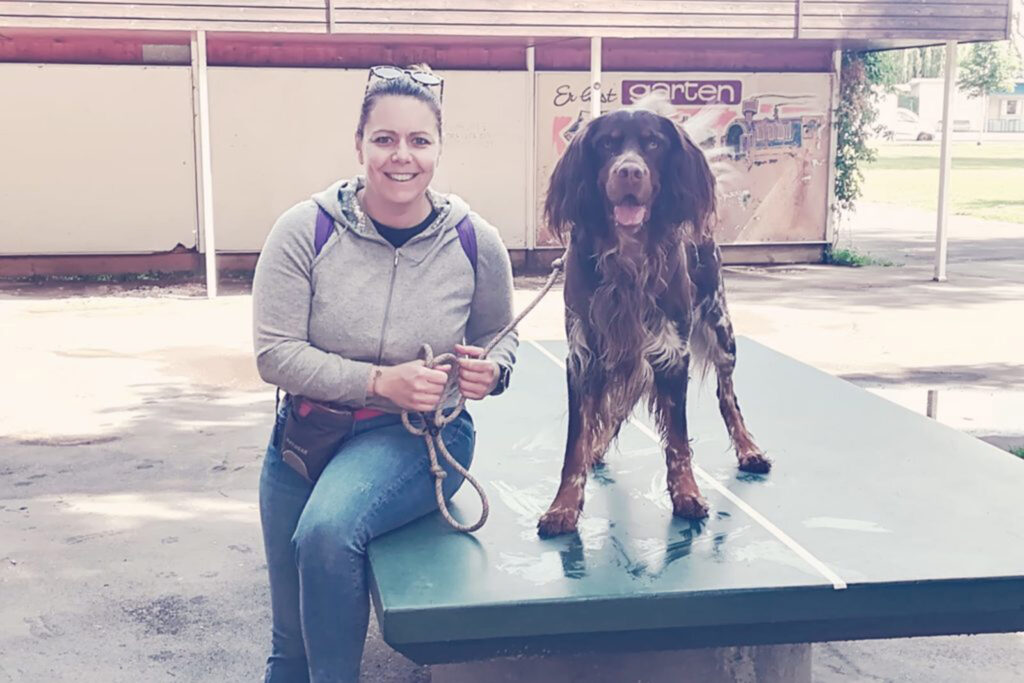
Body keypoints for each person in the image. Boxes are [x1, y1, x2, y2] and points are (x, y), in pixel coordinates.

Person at [251, 64, 518, 683]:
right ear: (360, 145)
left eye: (420, 141)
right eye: (385, 139)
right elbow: (274, 354)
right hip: (305, 439)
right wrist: (377, 380)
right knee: (289, 646)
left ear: (439, 149)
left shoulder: (476, 242)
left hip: (417, 438)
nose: (403, 156)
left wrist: (491, 373)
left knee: (324, 534)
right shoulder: (303, 231)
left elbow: (499, 341)